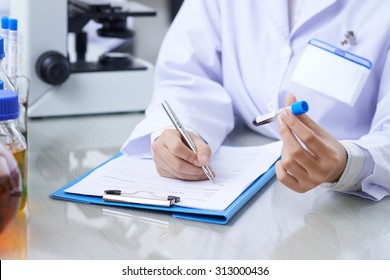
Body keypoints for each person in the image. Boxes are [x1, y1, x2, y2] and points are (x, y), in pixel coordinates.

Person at [121, 0, 390, 201]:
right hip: (241, 182)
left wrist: (348, 164)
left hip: (347, 208)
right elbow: (188, 76)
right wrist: (181, 132)